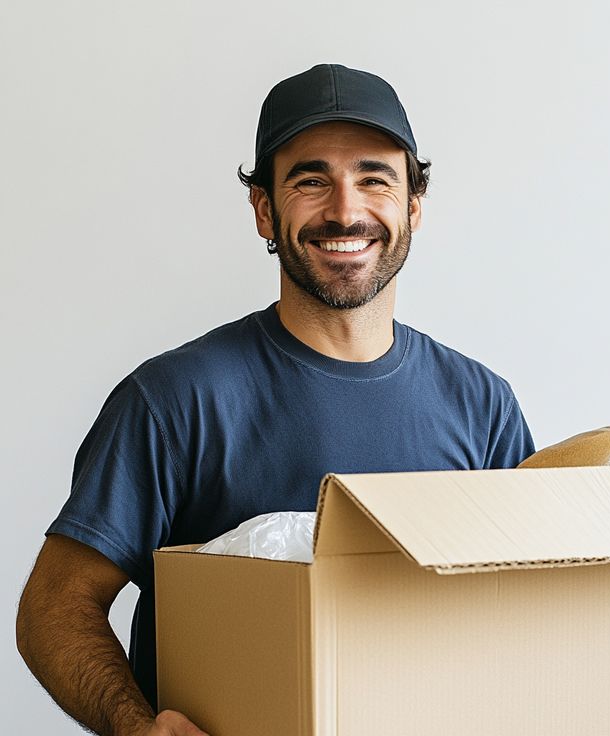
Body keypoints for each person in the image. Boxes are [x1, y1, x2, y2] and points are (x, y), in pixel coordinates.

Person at [16, 64, 534, 736]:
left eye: (374, 178)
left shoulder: (482, 405)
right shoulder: (175, 399)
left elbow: (525, 612)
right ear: (264, 207)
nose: (345, 210)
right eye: (310, 180)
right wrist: (134, 726)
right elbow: (55, 606)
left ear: (414, 205)